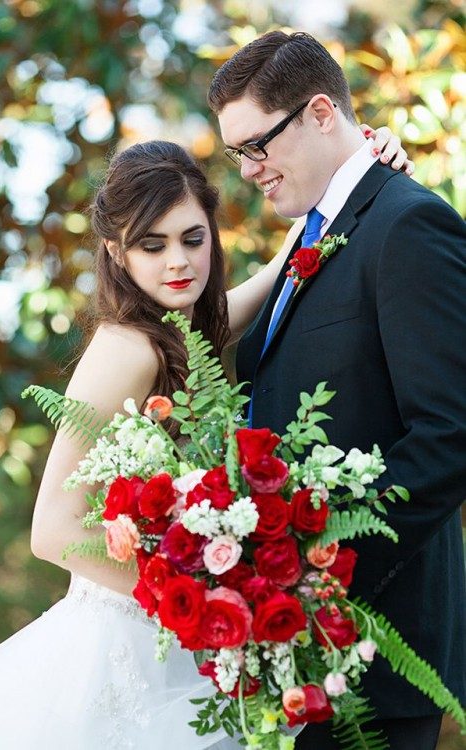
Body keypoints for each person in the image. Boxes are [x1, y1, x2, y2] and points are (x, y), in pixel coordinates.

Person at [0, 134, 410, 749]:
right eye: (153, 246)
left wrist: (349, 175)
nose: (178, 262)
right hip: (121, 644)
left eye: (192, 239)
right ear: (117, 254)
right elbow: (52, 531)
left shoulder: (173, 332)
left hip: (171, 639)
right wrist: (210, 599)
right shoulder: (126, 347)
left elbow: (249, 300)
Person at [209, 30, 466, 750]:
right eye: (238, 154)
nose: (250, 170)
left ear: (322, 112)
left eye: (257, 145)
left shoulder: (409, 223)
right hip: (295, 653)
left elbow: (449, 434)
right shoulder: (317, 233)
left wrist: (324, 575)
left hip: (372, 643)